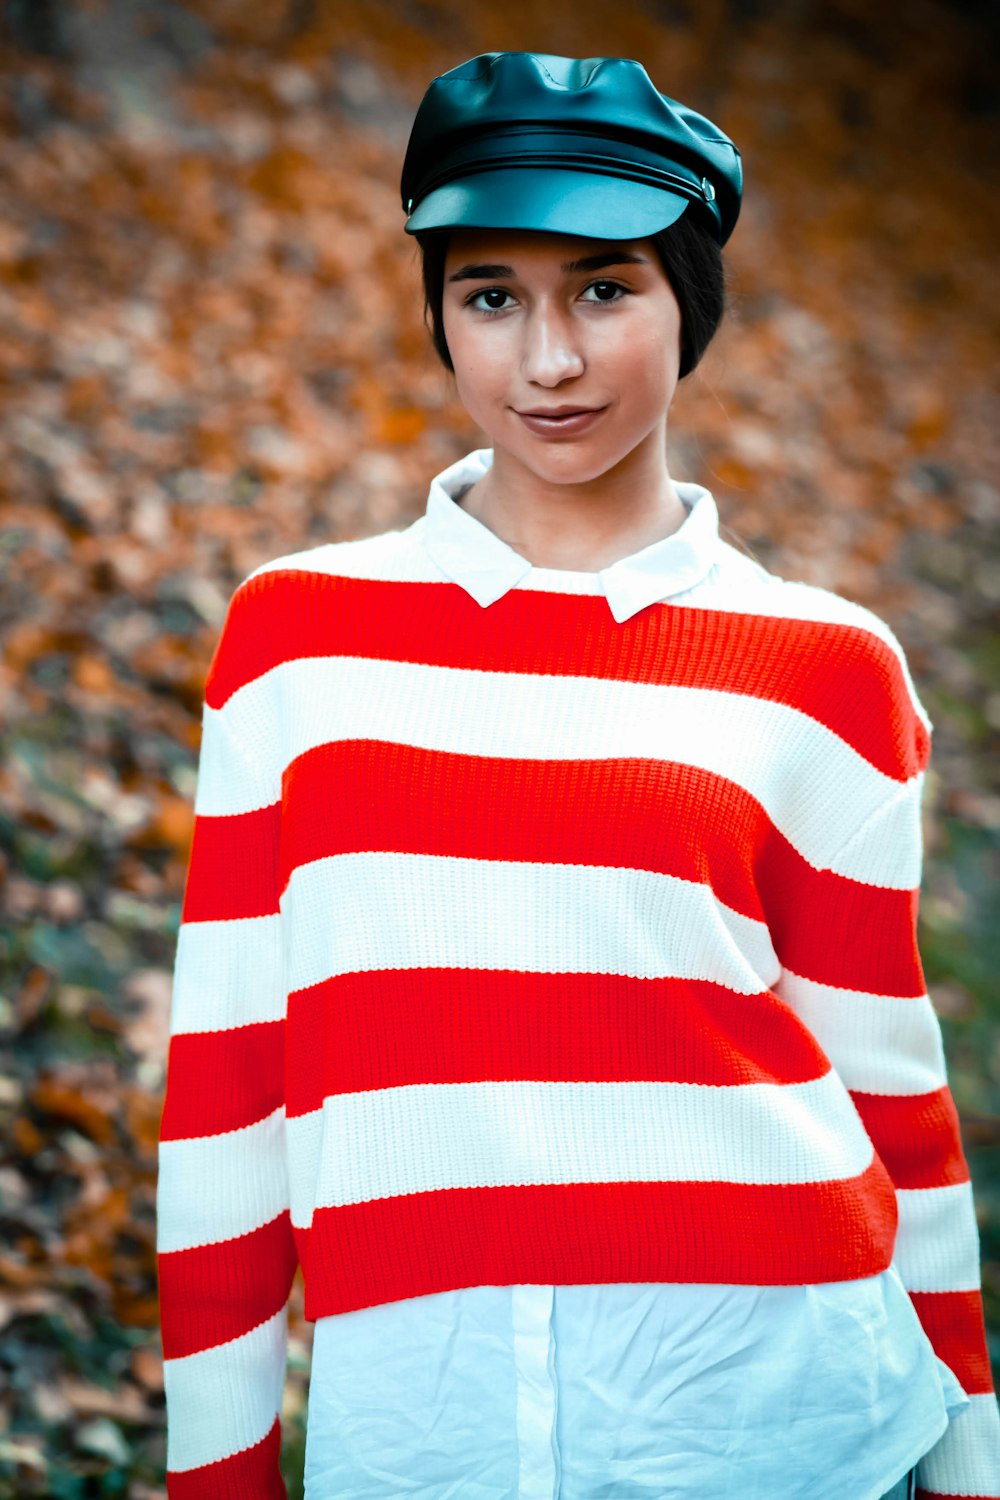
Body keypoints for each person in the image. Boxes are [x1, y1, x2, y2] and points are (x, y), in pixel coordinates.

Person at [155, 50, 1000, 1500]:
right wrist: (214, 1472)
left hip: (774, 1417)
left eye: (606, 289)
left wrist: (975, 1462)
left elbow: (890, 1090)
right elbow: (231, 1084)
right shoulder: (295, 639)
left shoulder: (825, 665)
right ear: (441, 318)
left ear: (690, 307)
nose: (548, 360)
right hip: (424, 1429)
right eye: (491, 297)